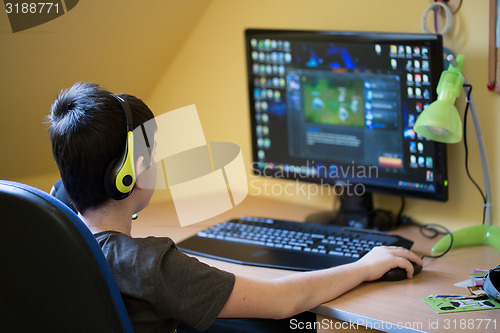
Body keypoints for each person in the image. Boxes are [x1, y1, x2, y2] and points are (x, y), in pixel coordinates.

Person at [48, 82, 423, 333]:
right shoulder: (148, 266)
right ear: (130, 175)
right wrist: (363, 266)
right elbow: (281, 301)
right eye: (153, 153)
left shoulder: (55, 237)